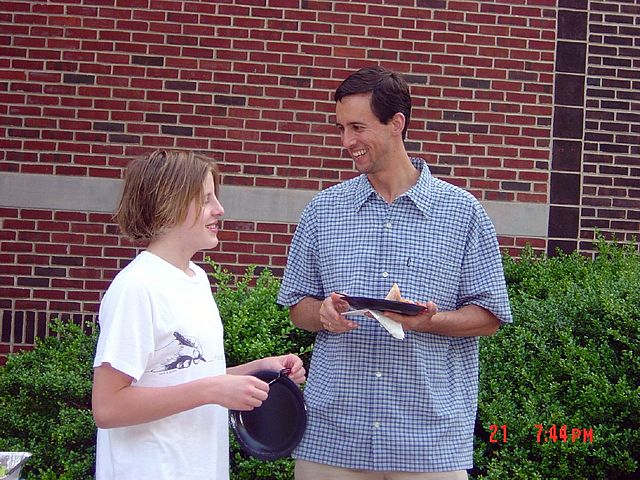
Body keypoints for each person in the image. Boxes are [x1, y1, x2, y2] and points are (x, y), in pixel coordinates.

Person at [277, 65, 513, 479]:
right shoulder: (323, 211)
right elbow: (297, 306)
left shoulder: (463, 213)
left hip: (428, 444)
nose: (347, 141)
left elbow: (490, 317)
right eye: (341, 128)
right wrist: (323, 315)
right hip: (333, 439)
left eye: (357, 127)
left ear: (396, 124)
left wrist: (428, 321)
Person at [91, 149, 305, 480]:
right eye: (206, 199)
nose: (219, 209)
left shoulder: (196, 278)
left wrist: (257, 370)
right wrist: (211, 390)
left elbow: (185, 376)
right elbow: (107, 407)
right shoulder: (136, 287)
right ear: (168, 204)